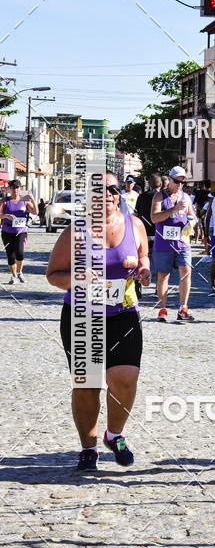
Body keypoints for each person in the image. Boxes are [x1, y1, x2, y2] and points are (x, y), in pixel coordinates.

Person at [46, 172, 150, 471]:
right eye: (98, 190)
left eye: (113, 189)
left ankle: (114, 435)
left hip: (124, 313)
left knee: (125, 379)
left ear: (120, 194)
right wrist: (77, 279)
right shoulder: (75, 232)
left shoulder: (135, 225)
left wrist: (143, 269)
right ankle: (88, 447)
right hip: (82, 317)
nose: (106, 194)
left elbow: (142, 256)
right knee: (88, 386)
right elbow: (53, 275)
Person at [150, 166, 196, 322]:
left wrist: (192, 224)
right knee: (163, 276)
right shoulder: (159, 196)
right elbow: (154, 218)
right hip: (164, 244)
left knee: (186, 273)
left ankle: (183, 308)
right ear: (169, 179)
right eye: (177, 181)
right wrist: (173, 209)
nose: (179, 185)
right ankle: (162, 310)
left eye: (182, 182)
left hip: (182, 242)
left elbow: (192, 216)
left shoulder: (186, 197)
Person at [1, 179, 38, 283]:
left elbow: (35, 212)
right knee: (10, 255)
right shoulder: (4, 201)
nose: (15, 190)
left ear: (20, 189)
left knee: (19, 252)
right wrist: (5, 215)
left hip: (21, 231)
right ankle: (13, 276)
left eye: (17, 188)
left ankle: (20, 272)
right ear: (9, 189)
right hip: (7, 231)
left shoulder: (24, 200)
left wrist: (32, 199)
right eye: (13, 188)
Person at [135, 173, 161, 261]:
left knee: (145, 255)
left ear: (149, 184)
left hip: (144, 229)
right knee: (159, 256)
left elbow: (136, 214)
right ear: (160, 184)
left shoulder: (141, 196)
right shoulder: (162, 197)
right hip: (158, 229)